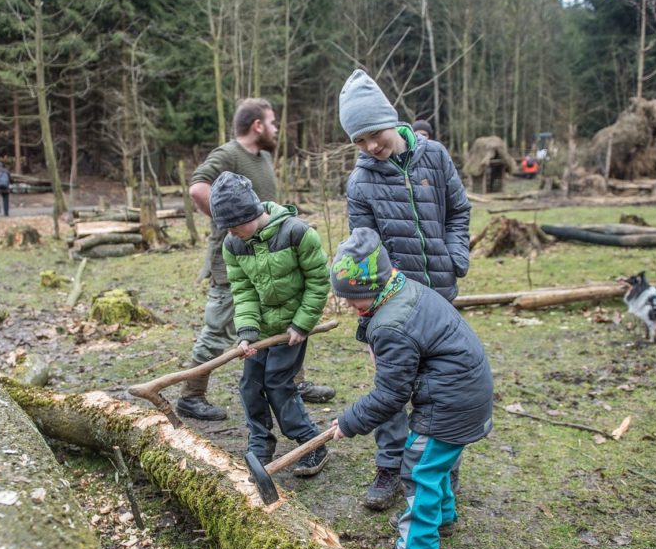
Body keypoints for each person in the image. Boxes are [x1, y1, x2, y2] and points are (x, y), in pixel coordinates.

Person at [338, 68, 472, 510]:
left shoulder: (435, 156)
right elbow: (364, 247)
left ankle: (442, 469)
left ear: (390, 121)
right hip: (393, 305)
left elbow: (459, 211)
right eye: (359, 141)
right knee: (392, 386)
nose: (370, 147)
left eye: (374, 134)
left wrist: (455, 257)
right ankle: (389, 466)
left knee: (440, 388)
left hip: (441, 297)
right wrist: (370, 319)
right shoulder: (360, 182)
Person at [328, 228, 493, 549]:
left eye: (352, 299)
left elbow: (391, 395)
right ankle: (442, 516)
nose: (348, 305)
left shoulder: (391, 325)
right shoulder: (404, 288)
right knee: (435, 464)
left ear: (372, 288)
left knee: (420, 469)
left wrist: (349, 422)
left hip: (450, 403)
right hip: (465, 392)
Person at [180, 98, 334, 421]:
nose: (276, 129)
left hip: (272, 257)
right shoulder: (228, 154)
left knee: (282, 313)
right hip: (236, 262)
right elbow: (197, 188)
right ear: (257, 125)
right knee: (218, 330)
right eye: (273, 122)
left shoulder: (262, 157)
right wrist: (230, 222)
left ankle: (294, 383)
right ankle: (191, 395)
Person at [211, 171, 331, 475]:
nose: (231, 232)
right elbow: (243, 291)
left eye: (234, 225)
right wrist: (247, 332)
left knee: (278, 383)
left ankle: (311, 444)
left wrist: (302, 324)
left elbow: (318, 282)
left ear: (249, 214)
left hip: (291, 328)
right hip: (261, 330)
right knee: (250, 385)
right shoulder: (234, 244)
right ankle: (261, 442)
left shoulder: (297, 233)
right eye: (227, 228)